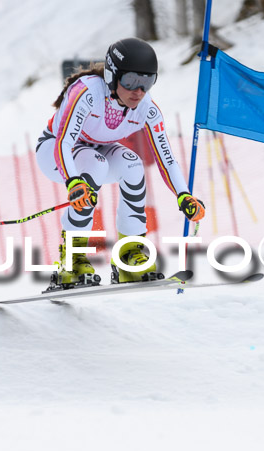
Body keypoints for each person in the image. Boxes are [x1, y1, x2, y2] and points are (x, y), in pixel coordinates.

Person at [35, 37, 205, 288]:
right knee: (96, 164)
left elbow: (165, 158)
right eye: (131, 81)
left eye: (147, 82)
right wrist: (73, 182)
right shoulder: (87, 92)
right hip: (55, 151)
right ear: (112, 76)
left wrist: (184, 195)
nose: (138, 91)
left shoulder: (146, 108)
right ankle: (71, 260)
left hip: (95, 151)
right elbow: (64, 143)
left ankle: (129, 255)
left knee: (132, 164)